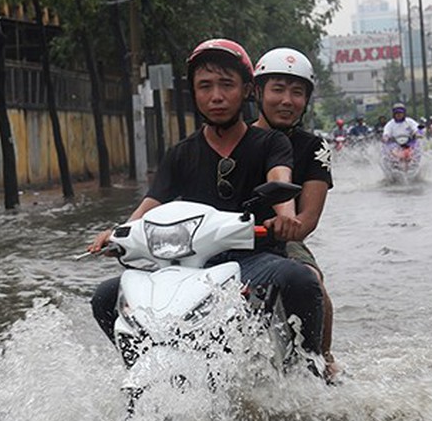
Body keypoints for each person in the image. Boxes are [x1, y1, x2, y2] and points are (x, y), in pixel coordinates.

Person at [87, 38, 326, 367]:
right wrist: (116, 234)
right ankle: (143, 367)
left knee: (302, 280)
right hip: (188, 264)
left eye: (226, 85)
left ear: (246, 91)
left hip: (254, 259)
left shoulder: (272, 143)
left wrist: (285, 218)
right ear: (194, 94)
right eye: (205, 86)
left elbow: (280, 183)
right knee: (105, 297)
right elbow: (148, 208)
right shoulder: (180, 154)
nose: (216, 96)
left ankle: (310, 368)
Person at [251, 46, 340, 380]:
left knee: (312, 281)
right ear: (258, 92)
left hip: (280, 241)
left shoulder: (314, 148)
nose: (287, 100)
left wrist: (287, 226)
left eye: (297, 92)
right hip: (225, 239)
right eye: (277, 89)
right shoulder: (237, 139)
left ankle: (321, 359)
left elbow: (307, 220)